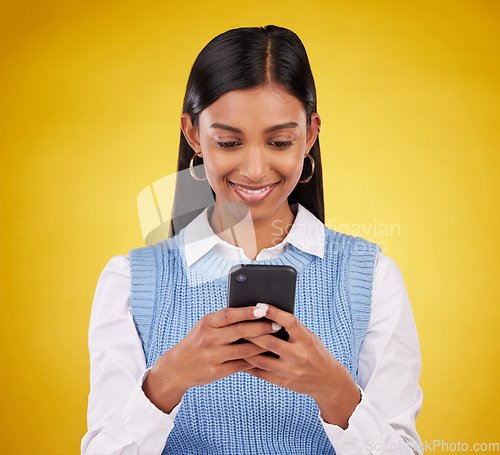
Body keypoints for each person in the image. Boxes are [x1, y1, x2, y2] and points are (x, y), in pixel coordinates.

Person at [81, 25, 423, 455]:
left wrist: (335, 391)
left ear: (311, 135)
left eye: (280, 141)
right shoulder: (129, 282)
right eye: (229, 141)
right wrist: (166, 381)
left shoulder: (371, 277)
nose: (256, 169)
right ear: (193, 136)